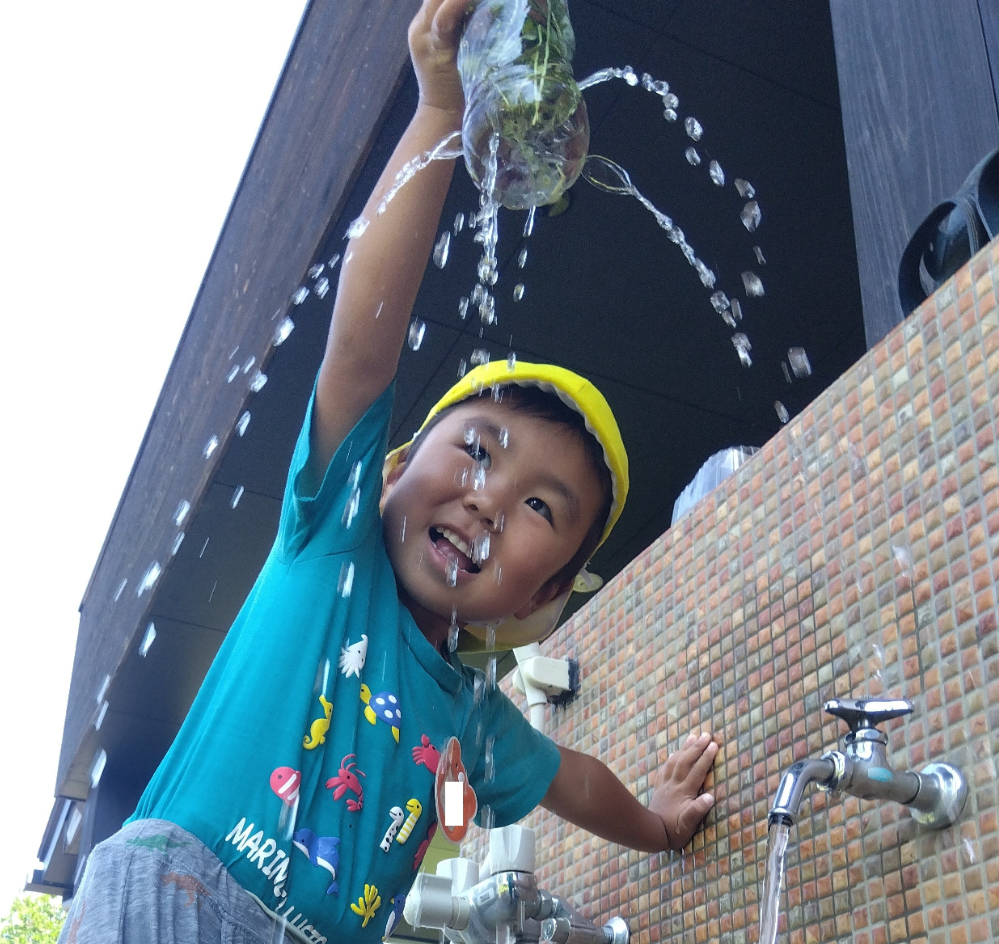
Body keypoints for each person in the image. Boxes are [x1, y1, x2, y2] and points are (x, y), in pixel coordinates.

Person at [58, 1, 717, 942]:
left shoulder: (471, 718)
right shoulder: (332, 548)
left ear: (545, 595)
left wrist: (658, 825)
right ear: (394, 466)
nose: (488, 498)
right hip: (178, 902)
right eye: (477, 450)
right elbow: (362, 350)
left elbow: (572, 782)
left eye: (539, 506)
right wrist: (439, 111)